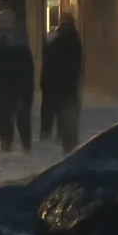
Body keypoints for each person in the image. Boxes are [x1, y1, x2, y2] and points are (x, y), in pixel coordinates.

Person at [0, 8, 34, 152]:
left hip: (19, 95)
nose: (3, 24)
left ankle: (25, 158)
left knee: (24, 133)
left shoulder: (22, 47)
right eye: (1, 21)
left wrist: (27, 97)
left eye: (6, 21)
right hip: (2, 97)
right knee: (5, 136)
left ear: (13, 22)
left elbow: (28, 73)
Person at [39, 11, 83, 153]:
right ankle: (69, 150)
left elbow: (48, 63)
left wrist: (44, 83)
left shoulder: (55, 40)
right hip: (68, 88)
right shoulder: (75, 40)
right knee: (68, 127)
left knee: (53, 121)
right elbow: (78, 67)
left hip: (56, 88)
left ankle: (62, 146)